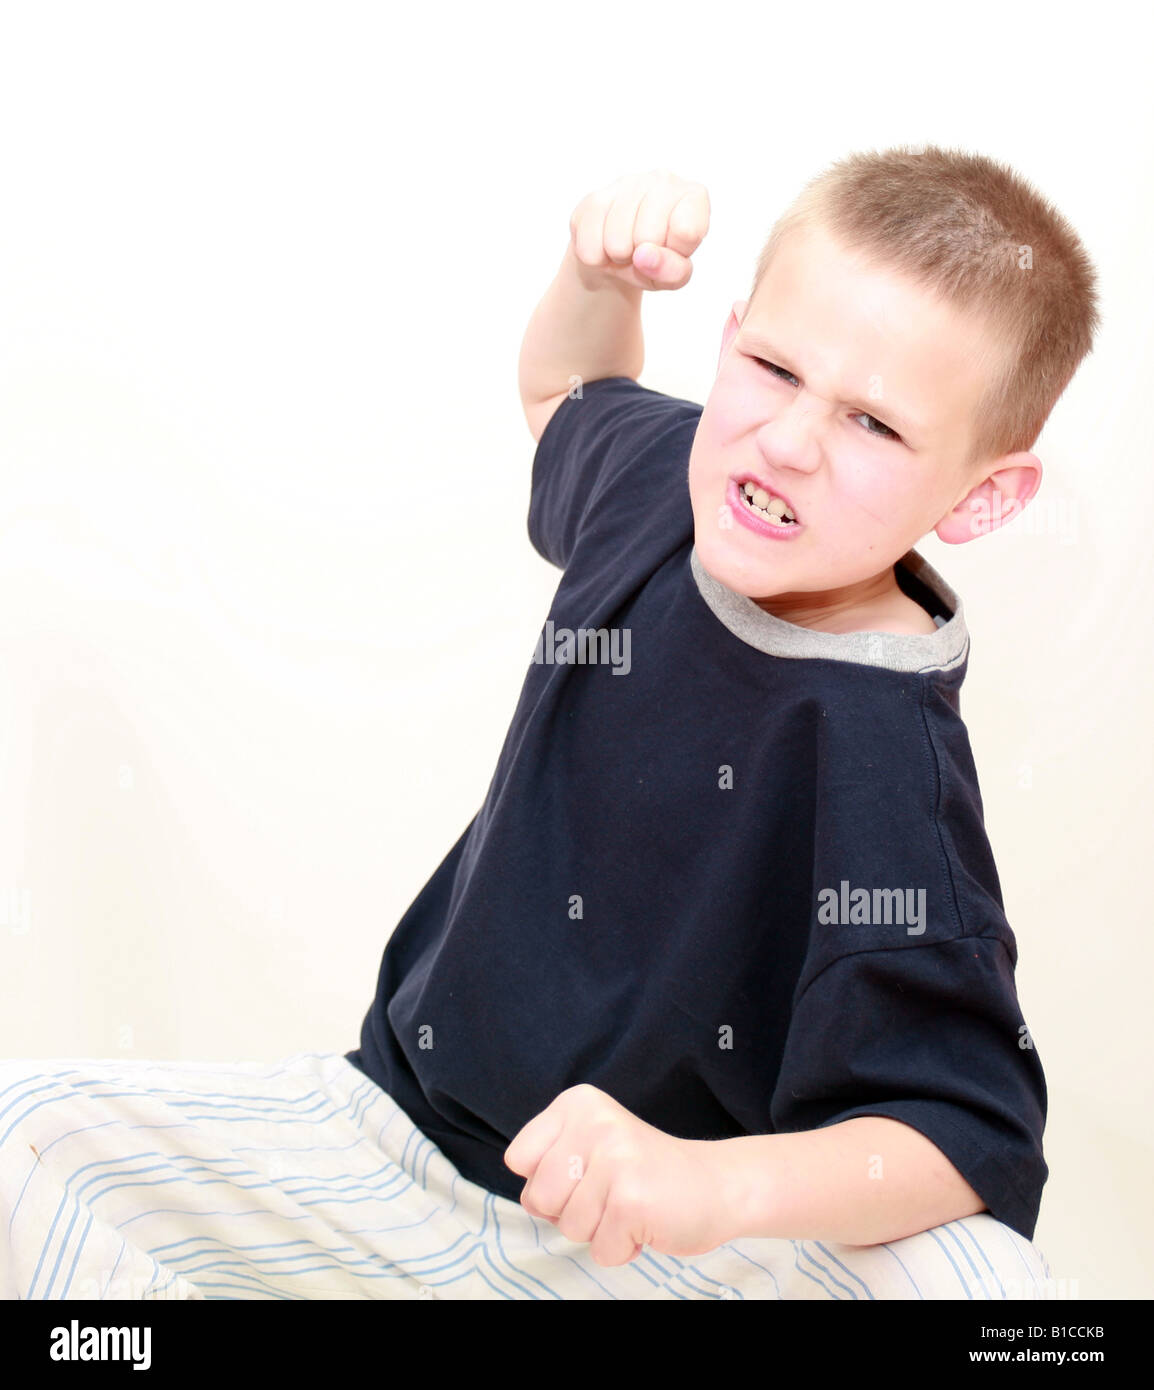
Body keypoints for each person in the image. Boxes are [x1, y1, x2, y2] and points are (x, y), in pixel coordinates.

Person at [0, 145, 1099, 1300]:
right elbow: (558, 391)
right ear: (727, 337)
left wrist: (704, 1188)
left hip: (668, 1244)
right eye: (773, 367)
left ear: (981, 495)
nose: (788, 441)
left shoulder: (891, 767)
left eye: (873, 424)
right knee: (21, 1134)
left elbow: (961, 1133)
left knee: (987, 1288)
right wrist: (600, 281)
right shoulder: (658, 481)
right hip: (397, 1146)